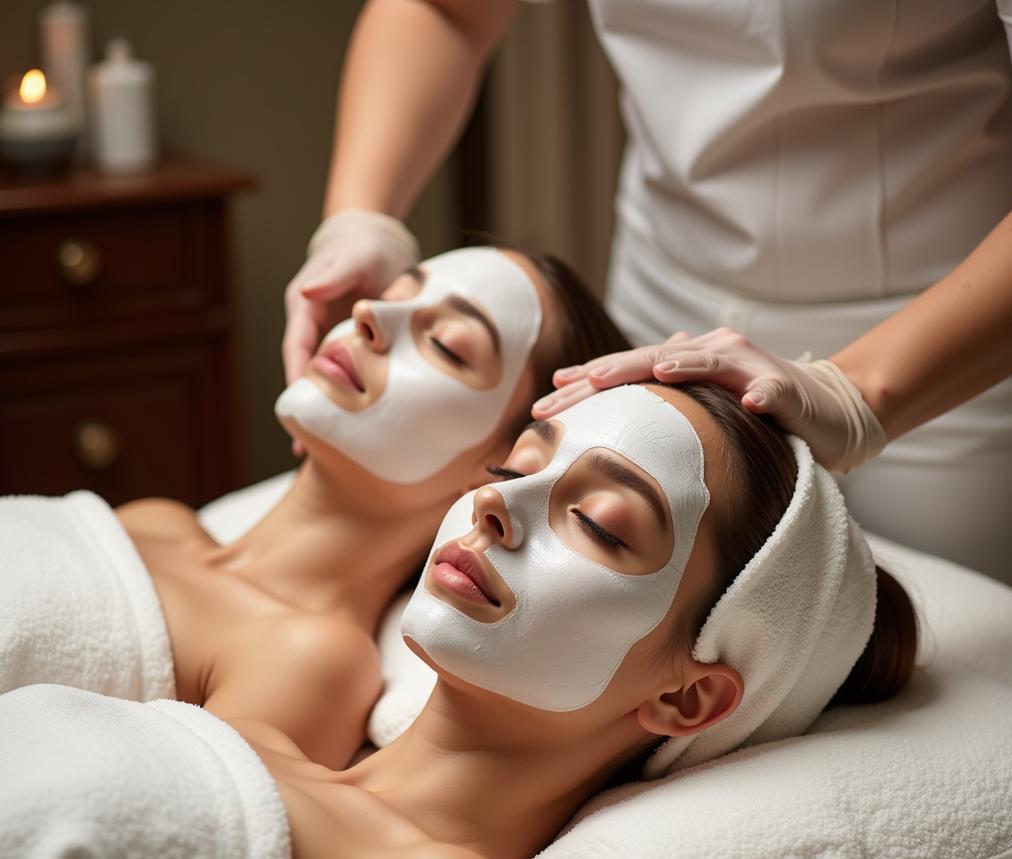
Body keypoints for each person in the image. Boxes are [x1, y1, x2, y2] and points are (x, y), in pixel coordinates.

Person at [0, 382, 918, 859]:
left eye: (599, 522)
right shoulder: (248, 736)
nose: (496, 507)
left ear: (688, 698)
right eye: (514, 465)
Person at [281, 0, 1012, 587]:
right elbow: (448, 8)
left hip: (956, 335)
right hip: (659, 304)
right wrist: (361, 217)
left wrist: (858, 393)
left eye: (450, 341)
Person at [1, 245, 628, 770]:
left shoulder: (312, 660)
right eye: (397, 291)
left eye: (447, 343)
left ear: (502, 459)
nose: (369, 314)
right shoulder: (155, 519)